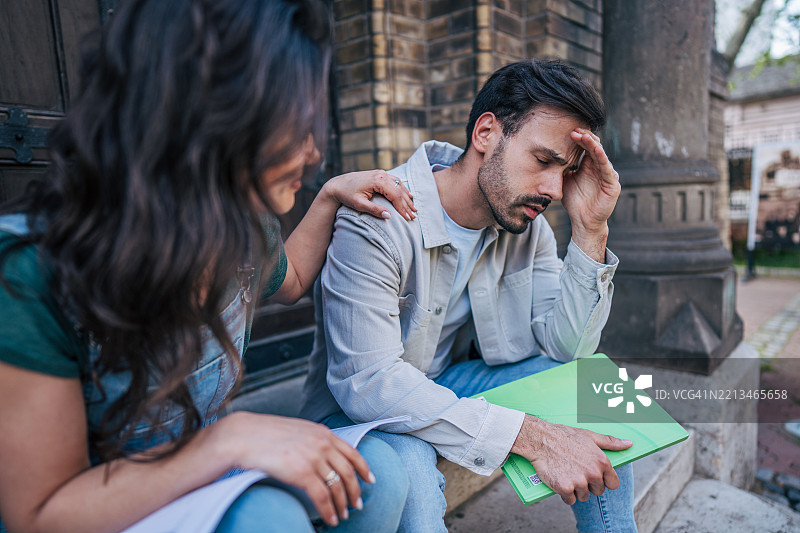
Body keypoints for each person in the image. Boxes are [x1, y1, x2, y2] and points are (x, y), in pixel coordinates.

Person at [0, 1, 414, 532]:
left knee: (373, 476)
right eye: (295, 120)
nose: (314, 153)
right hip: (101, 505)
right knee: (268, 519)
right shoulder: (30, 273)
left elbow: (290, 281)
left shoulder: (239, 224)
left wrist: (331, 196)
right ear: (212, 115)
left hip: (205, 474)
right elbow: (40, 515)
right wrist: (228, 439)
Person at [300, 59, 638, 531]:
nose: (554, 190)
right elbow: (368, 383)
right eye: (543, 162)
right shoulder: (376, 218)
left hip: (449, 382)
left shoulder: (526, 225)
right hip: (355, 414)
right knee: (412, 468)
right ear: (486, 134)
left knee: (594, 397)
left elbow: (568, 350)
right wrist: (531, 437)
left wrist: (591, 229)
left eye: (566, 172)